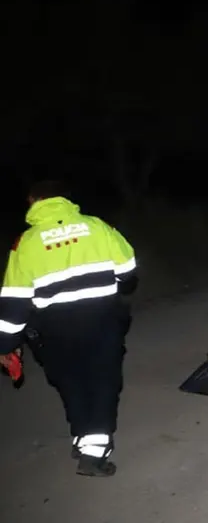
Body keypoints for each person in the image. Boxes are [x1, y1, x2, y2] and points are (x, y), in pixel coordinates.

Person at [0, 180, 138, 477]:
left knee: (71, 384)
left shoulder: (25, 243)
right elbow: (128, 271)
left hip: (53, 333)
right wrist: (119, 284)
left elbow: (14, 302)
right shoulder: (97, 227)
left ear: (33, 202)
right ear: (65, 198)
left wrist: (5, 344)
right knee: (103, 384)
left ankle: (81, 438)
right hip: (101, 322)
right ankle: (93, 455)